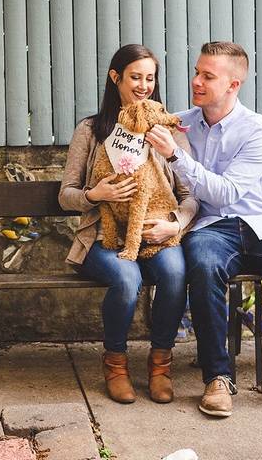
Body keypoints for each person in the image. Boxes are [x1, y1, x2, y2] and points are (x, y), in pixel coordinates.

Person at [146, 41, 262, 418]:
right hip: (211, 228)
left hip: (261, 226)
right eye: (196, 71)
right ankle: (218, 377)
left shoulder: (257, 129)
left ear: (233, 85)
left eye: (207, 75)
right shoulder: (179, 124)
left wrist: (174, 156)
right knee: (202, 266)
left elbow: (229, 191)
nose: (196, 80)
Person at [59, 44, 199, 404]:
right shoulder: (92, 130)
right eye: (135, 77)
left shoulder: (167, 131)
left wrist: (175, 224)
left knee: (174, 272)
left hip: (157, 233)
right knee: (127, 276)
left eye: (150, 78)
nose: (143, 85)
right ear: (115, 77)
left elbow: (191, 195)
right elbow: (66, 195)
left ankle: (160, 365)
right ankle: (116, 364)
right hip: (103, 238)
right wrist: (95, 194)